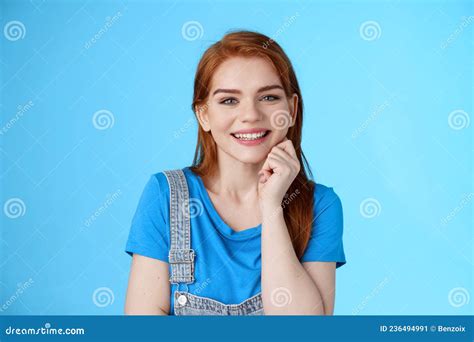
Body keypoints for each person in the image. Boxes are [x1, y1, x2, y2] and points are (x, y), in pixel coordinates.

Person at [124, 30, 346, 315]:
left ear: (291, 109)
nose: (251, 115)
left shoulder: (320, 206)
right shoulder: (165, 196)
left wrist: (272, 207)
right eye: (229, 100)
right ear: (203, 114)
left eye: (267, 97)